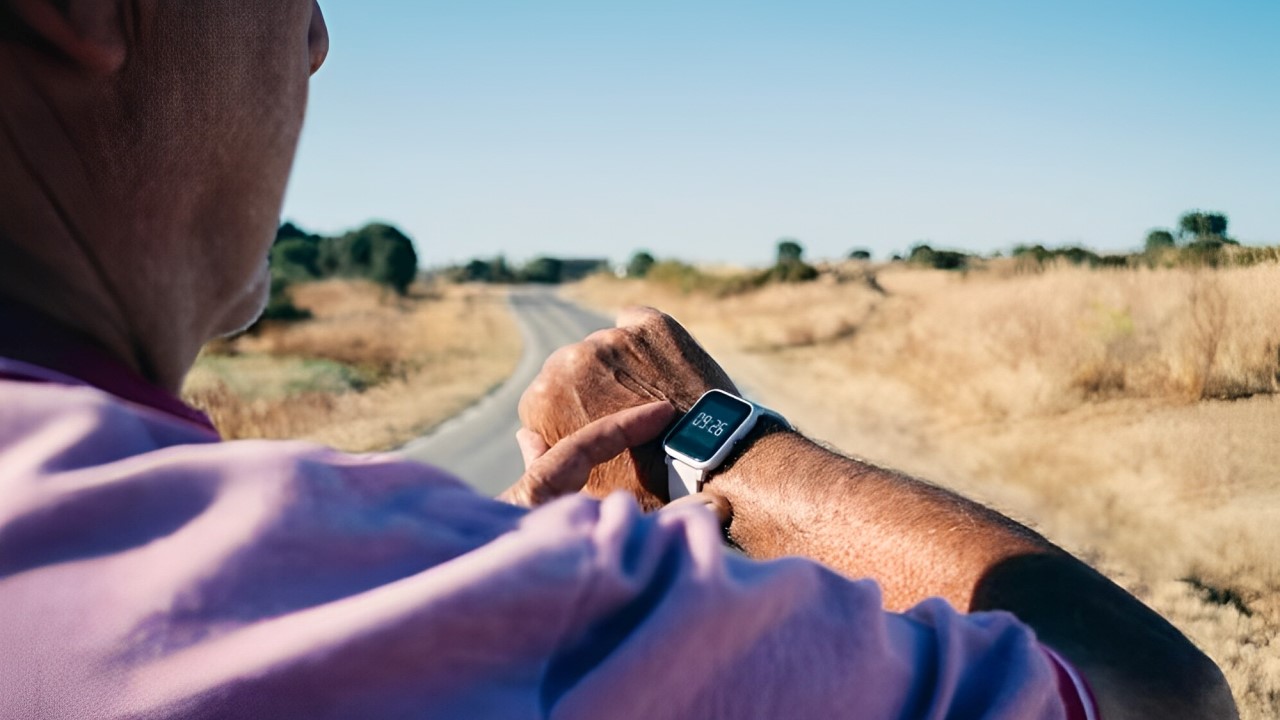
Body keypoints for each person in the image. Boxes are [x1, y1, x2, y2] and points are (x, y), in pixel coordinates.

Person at [0, 1, 1235, 718]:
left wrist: (450, 580)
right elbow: (1152, 702)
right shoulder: (294, 592)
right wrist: (721, 437)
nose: (316, 39)